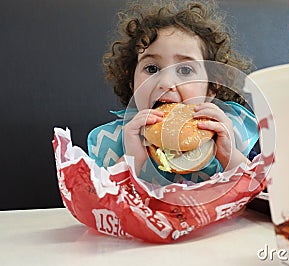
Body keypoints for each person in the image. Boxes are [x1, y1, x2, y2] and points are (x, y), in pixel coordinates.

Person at [88, 0, 259, 184]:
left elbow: (262, 193)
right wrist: (130, 161)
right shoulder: (115, 141)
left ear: (212, 87)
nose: (166, 82)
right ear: (132, 83)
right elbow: (95, 203)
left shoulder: (229, 131)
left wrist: (229, 155)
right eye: (152, 69)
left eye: (185, 70)